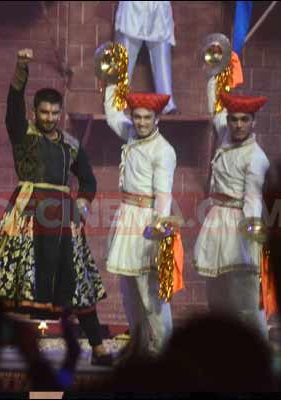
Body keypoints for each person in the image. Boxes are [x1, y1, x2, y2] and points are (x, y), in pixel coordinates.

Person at [0, 48, 111, 366]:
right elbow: (14, 104)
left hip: (63, 220)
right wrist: (21, 67)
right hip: (27, 214)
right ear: (35, 111)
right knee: (11, 277)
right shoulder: (22, 133)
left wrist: (82, 206)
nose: (49, 118)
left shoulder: (71, 145)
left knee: (77, 277)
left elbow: (89, 181)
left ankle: (98, 348)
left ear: (60, 113)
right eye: (43, 112)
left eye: (54, 113)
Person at [103, 83, 179, 356]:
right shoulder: (131, 135)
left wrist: (158, 232)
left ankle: (163, 350)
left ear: (157, 119)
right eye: (137, 117)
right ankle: (139, 345)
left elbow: (164, 195)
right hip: (127, 216)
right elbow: (112, 115)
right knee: (129, 290)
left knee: (151, 292)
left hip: (147, 221)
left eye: (148, 117)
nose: (142, 122)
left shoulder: (163, 150)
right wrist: (111, 80)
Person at [193, 77, 270, 337]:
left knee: (246, 299)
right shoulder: (225, 134)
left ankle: (259, 349)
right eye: (234, 119)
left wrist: (248, 242)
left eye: (244, 120)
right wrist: (214, 72)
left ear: (253, 122)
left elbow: (252, 200)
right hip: (217, 219)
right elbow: (214, 107)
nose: (238, 125)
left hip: (239, 223)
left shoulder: (256, 158)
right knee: (216, 296)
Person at [114, 1, 178, 114]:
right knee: (125, 58)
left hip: (159, 8)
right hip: (133, 8)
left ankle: (167, 103)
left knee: (162, 56)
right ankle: (117, 102)